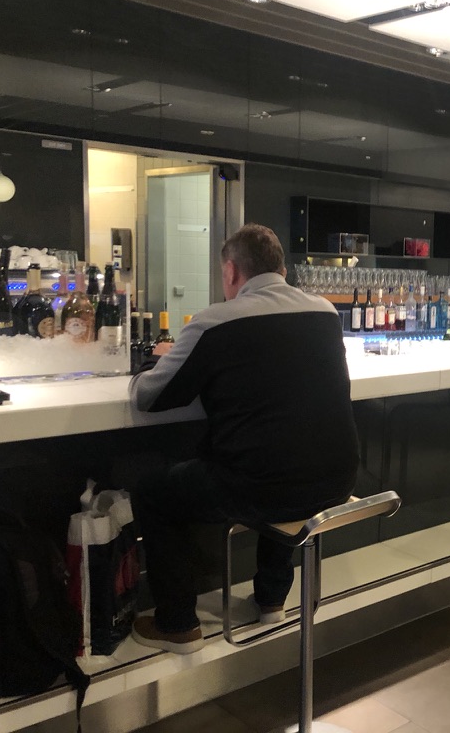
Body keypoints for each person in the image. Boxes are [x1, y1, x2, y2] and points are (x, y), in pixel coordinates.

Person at [128, 224, 359, 654]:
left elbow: (149, 397)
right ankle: (271, 599)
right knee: (282, 450)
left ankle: (177, 624)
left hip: (261, 487)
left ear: (231, 271)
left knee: (153, 492)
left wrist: (150, 366)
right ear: (282, 270)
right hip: (336, 481)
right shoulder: (326, 313)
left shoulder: (215, 321)